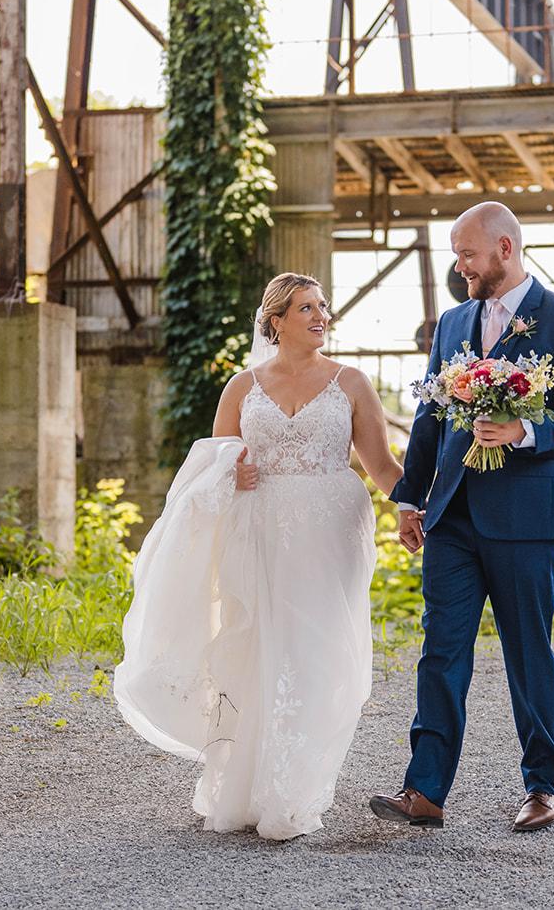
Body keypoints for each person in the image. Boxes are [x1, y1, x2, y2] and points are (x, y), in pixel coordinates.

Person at [115, 272, 403, 840]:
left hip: (330, 536)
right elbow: (213, 462)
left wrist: (425, 506)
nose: (321, 316)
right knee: (256, 651)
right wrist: (234, 472)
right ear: (276, 321)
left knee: (317, 654)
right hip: (258, 533)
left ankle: (294, 791)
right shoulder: (241, 387)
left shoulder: (351, 382)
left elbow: (383, 468)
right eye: (306, 308)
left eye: (322, 306)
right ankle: (247, 788)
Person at [370, 201, 554, 833]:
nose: (460, 267)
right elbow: (429, 418)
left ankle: (544, 785)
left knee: (528, 654)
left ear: (505, 249)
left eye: (468, 255)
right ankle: (424, 791)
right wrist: (409, 498)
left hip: (529, 518)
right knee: (441, 651)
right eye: (456, 256)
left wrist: (524, 431)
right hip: (452, 516)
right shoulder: (452, 322)